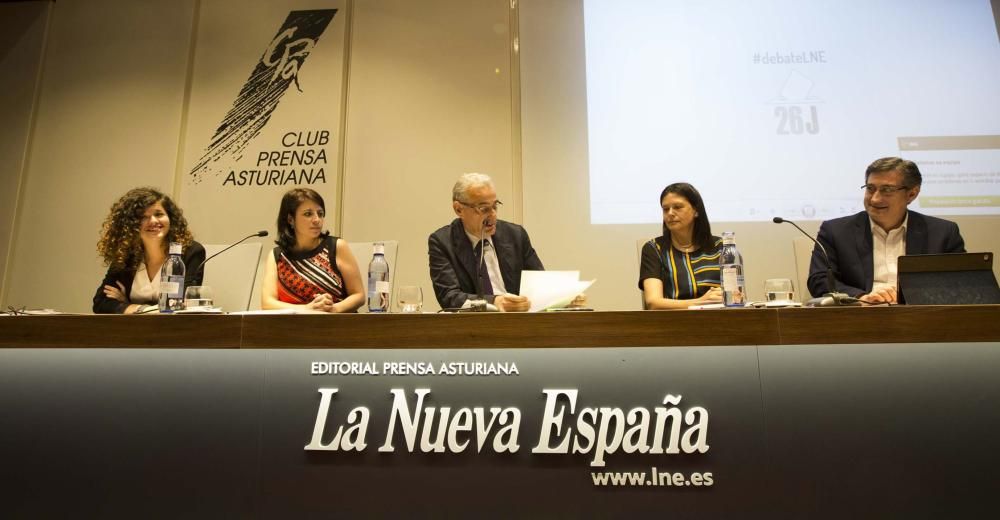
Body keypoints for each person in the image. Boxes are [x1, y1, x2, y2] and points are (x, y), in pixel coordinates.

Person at [807, 157, 965, 303]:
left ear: (911, 194)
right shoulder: (835, 231)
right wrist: (861, 298)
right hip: (861, 315)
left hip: (922, 317)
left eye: (886, 190)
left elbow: (960, 283)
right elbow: (819, 280)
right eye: (870, 188)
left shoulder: (943, 233)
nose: (875, 198)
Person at [428, 173, 543, 311]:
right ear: (459, 209)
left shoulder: (515, 235)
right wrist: (494, 301)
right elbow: (449, 297)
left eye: (495, 206)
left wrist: (567, 299)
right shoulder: (442, 242)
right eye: (484, 209)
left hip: (519, 321)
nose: (493, 214)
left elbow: (540, 283)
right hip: (472, 326)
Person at [93, 187, 205, 314]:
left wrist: (126, 305)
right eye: (143, 217)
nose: (153, 221)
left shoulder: (191, 251)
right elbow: (101, 303)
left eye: (159, 214)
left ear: (170, 218)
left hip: (174, 330)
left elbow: (183, 305)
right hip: (129, 330)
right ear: (131, 224)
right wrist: (142, 309)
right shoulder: (126, 253)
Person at [261, 188, 364, 312]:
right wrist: (307, 309)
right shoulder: (277, 255)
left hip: (336, 325)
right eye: (308, 214)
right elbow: (267, 303)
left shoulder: (337, 247)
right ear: (290, 219)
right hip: (292, 327)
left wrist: (333, 309)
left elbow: (359, 295)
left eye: (320, 214)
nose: (317, 220)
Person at [638, 183, 723, 309]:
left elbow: (737, 295)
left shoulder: (721, 246)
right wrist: (701, 302)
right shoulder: (654, 248)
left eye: (677, 207)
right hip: (673, 323)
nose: (670, 213)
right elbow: (653, 302)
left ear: (696, 211)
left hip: (720, 321)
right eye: (665, 209)